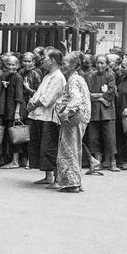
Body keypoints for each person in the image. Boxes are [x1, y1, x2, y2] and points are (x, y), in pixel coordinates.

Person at [26, 48, 65, 186]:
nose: (43, 60)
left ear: (53, 60)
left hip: (49, 117)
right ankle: (48, 176)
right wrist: (33, 101)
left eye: (46, 58)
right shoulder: (47, 76)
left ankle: (57, 178)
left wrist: (33, 104)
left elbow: (48, 99)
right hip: (39, 116)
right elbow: (38, 93)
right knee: (41, 147)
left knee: (49, 147)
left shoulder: (58, 77)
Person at [53, 51, 91, 193]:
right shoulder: (78, 78)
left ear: (74, 66)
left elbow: (76, 100)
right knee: (75, 150)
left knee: (69, 150)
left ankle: (72, 183)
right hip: (80, 119)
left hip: (73, 120)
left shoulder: (74, 80)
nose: (62, 66)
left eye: (64, 64)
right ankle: (76, 182)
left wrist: (65, 112)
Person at [85, 53, 116, 174]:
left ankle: (112, 161)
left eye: (102, 63)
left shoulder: (110, 76)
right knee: (94, 137)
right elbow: (88, 94)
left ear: (107, 64)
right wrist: (101, 97)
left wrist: (100, 96)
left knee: (110, 137)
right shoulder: (90, 76)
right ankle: (97, 160)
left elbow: (111, 92)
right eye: (98, 63)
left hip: (107, 111)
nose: (99, 65)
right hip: (93, 110)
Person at [0, 55, 24, 170]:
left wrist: (17, 112)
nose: (11, 67)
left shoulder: (18, 77)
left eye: (13, 64)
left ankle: (15, 161)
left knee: (15, 136)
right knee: (10, 136)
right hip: (8, 110)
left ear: (17, 65)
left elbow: (19, 96)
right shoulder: (7, 76)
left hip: (14, 110)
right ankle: (12, 160)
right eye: (8, 64)